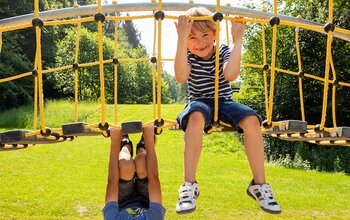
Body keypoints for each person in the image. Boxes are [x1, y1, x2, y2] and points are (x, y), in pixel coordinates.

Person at [174, 7, 281, 214]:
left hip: (224, 102)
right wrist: (181, 39)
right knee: (195, 115)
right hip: (199, 102)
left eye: (205, 35)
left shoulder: (222, 50)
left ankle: (259, 184)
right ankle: (188, 185)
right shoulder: (186, 53)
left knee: (252, 119)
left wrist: (237, 40)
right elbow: (180, 76)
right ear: (185, 40)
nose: (200, 42)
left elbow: (231, 75)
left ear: (214, 34)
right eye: (192, 37)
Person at [103, 126, 166, 219]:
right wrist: (149, 140)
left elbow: (112, 180)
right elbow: (154, 178)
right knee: (141, 161)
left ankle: (125, 145)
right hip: (146, 199)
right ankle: (142, 147)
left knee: (126, 164)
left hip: (122, 200)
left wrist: (115, 141)